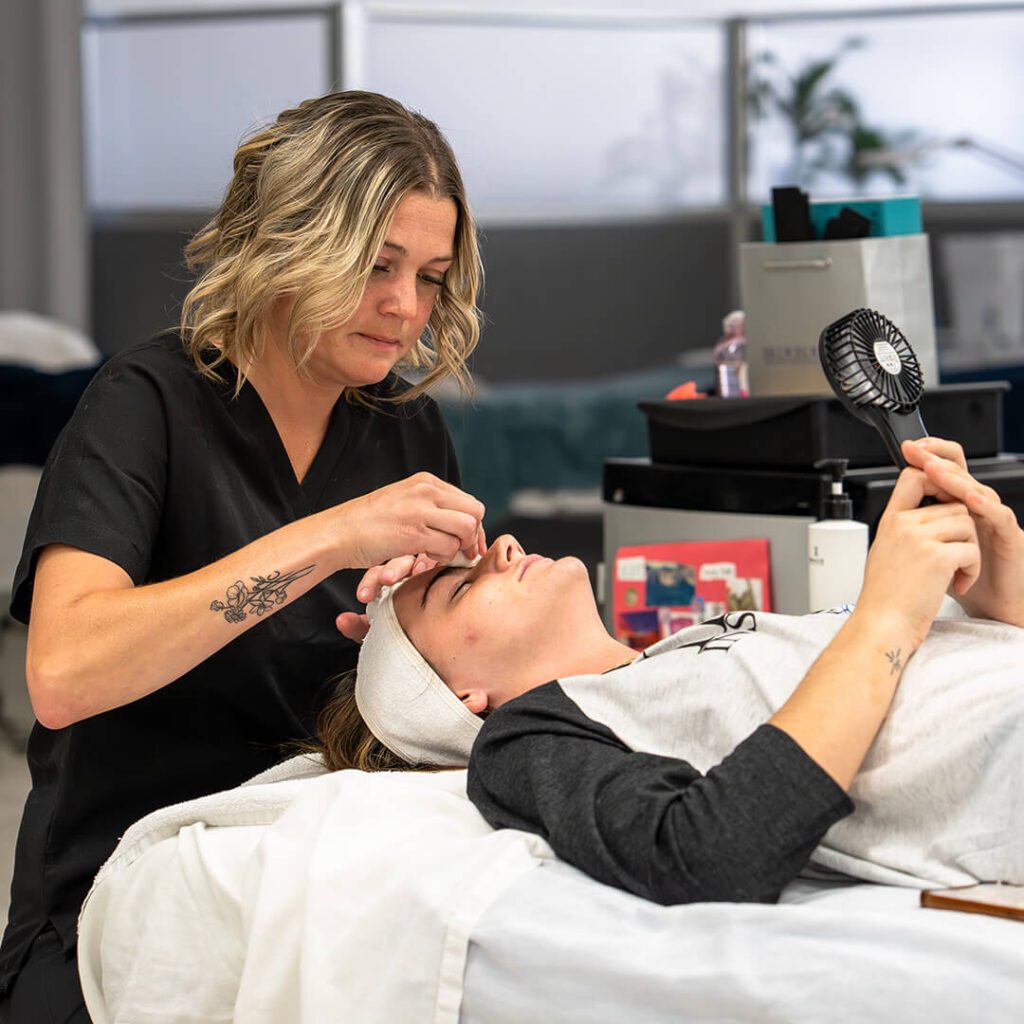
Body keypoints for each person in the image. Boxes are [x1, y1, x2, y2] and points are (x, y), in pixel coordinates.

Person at [0, 91, 488, 1022]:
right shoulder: (148, 404)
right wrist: (330, 540)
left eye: (429, 275)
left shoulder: (407, 430)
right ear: (290, 240)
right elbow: (62, 673)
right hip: (117, 901)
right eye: (376, 264)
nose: (404, 307)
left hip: (305, 888)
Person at [313, 436, 1024, 903]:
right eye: (459, 588)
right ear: (463, 699)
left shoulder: (686, 648)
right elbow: (708, 856)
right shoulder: (528, 741)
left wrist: (1002, 598)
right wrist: (888, 617)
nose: (499, 546)